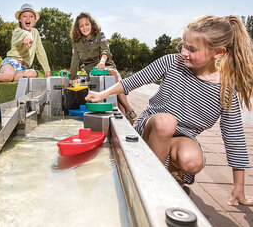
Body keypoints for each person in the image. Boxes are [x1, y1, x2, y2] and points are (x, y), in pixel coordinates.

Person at [85, 15, 253, 206]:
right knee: (166, 122)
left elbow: (234, 136)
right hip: (151, 127)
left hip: (182, 137)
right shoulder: (173, 62)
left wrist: (239, 186)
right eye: (183, 45)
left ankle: (167, 169)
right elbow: (133, 80)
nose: (184, 52)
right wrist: (101, 95)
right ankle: (151, 184)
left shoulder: (225, 88)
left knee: (193, 161)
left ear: (218, 53)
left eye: (192, 49)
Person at [69, 12, 137, 123]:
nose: (84, 28)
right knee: (115, 88)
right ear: (78, 28)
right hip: (92, 71)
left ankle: (127, 111)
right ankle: (127, 114)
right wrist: (71, 78)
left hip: (106, 64)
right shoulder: (76, 42)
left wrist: (102, 62)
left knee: (113, 74)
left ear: (92, 24)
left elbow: (105, 51)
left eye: (87, 24)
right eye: (81, 26)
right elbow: (74, 60)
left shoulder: (100, 35)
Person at [0, 4, 51, 82]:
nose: (28, 18)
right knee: (7, 76)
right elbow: (23, 34)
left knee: (32, 73)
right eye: (24, 16)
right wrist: (28, 37)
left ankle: (12, 77)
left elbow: (40, 51)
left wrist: (46, 69)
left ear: (34, 20)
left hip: (23, 68)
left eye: (31, 16)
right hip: (11, 63)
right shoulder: (17, 31)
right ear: (20, 19)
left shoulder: (35, 32)